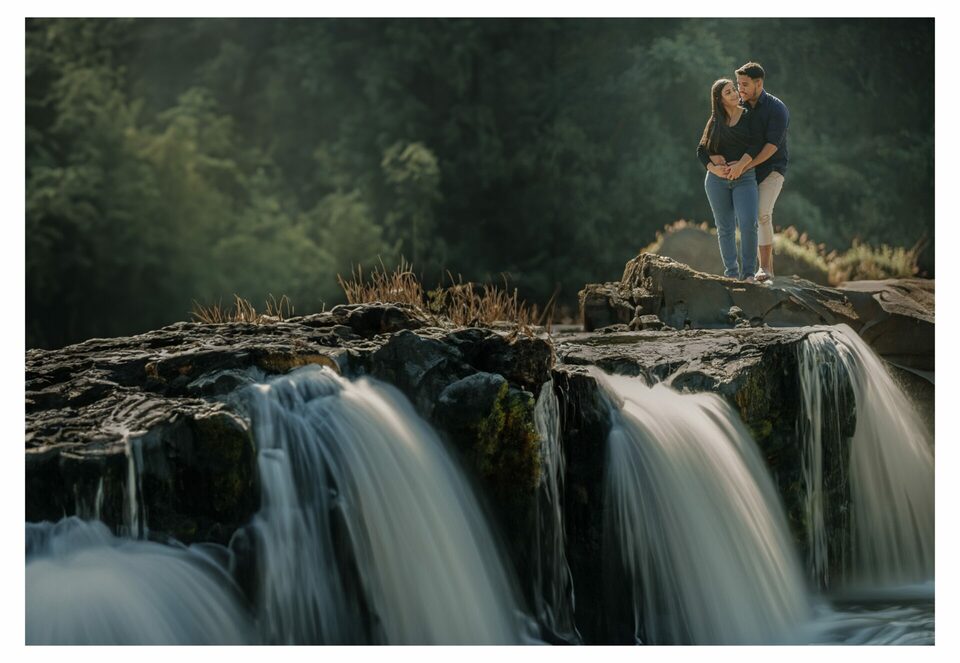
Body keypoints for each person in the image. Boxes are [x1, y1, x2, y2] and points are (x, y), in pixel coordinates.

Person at [696, 78, 765, 282]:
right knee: (725, 229)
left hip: (744, 178)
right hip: (716, 182)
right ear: (719, 99)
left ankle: (749, 274)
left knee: (748, 224)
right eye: (728, 92)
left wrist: (740, 166)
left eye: (734, 89)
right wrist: (714, 169)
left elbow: (757, 144)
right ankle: (732, 274)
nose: (735, 93)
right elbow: (701, 150)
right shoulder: (715, 121)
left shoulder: (749, 116)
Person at [729, 62, 790, 282]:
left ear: (759, 83)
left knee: (763, 213)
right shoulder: (738, 106)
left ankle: (765, 269)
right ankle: (754, 270)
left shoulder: (777, 109)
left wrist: (745, 165)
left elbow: (771, 147)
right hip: (746, 171)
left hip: (772, 168)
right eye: (738, 84)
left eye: (744, 84)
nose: (740, 89)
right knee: (747, 218)